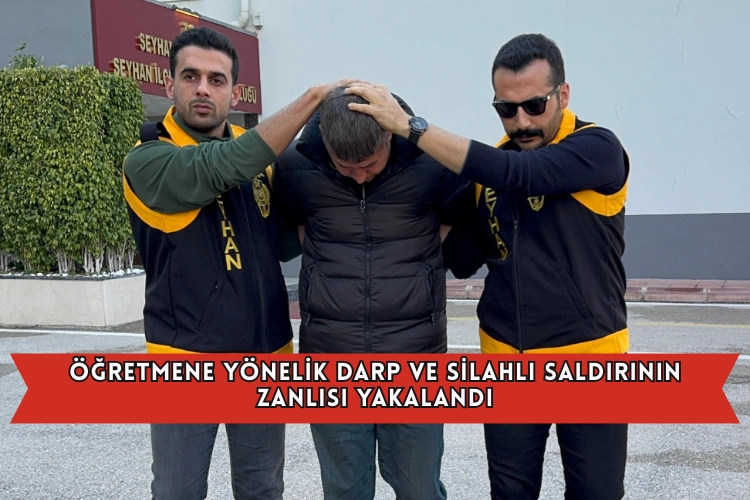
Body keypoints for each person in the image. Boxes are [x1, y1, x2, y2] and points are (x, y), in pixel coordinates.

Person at [346, 34, 630, 500]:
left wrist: (411, 127)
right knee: (510, 493)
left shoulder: (596, 147)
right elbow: (462, 256)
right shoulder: (492, 170)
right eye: (506, 109)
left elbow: (522, 175)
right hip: (506, 357)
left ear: (563, 95)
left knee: (596, 493)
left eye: (534, 105)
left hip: (590, 359)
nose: (521, 122)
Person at [123, 26, 353, 500]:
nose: (202, 89)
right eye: (190, 76)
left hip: (263, 356)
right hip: (185, 361)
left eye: (217, 79)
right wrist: (313, 98)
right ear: (169, 85)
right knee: (178, 491)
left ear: (234, 91)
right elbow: (221, 167)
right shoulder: (148, 160)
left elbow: (280, 241)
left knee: (262, 488)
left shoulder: (258, 157)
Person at [272, 87, 474, 500]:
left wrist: (426, 256)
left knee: (419, 489)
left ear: (389, 136)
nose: (360, 176)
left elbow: (468, 223)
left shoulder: (433, 163)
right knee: (345, 491)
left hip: (415, 360)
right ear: (325, 144)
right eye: (346, 167)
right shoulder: (294, 167)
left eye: (369, 165)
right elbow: (283, 232)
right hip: (331, 363)